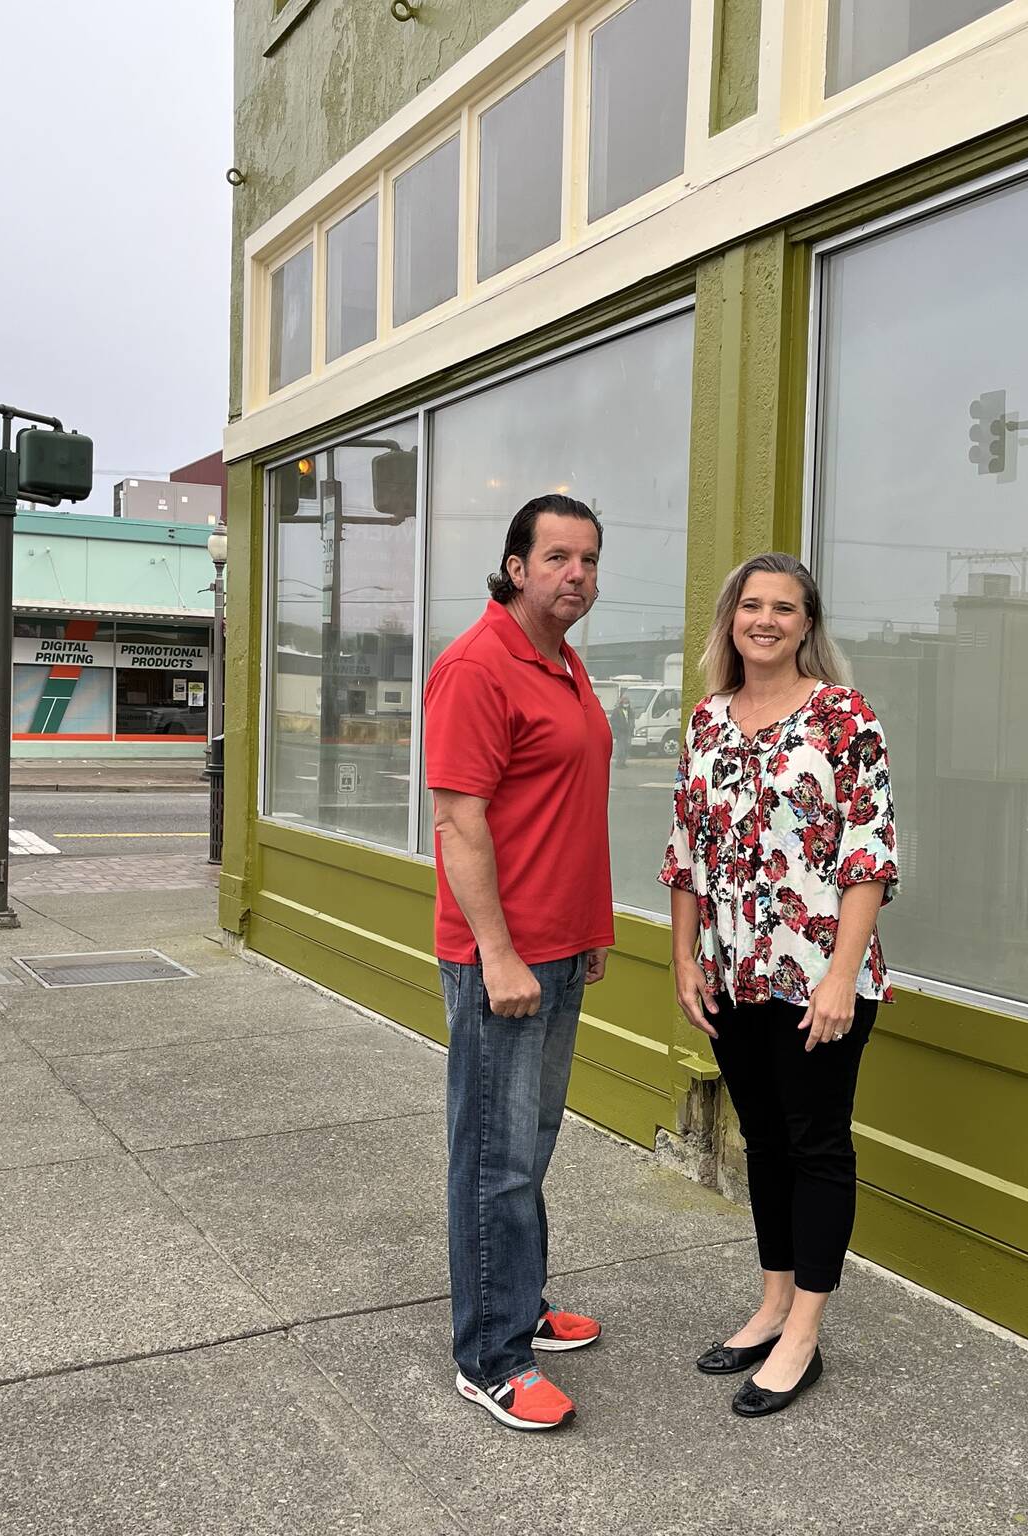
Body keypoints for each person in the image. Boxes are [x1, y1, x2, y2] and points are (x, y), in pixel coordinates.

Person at [659, 552, 897, 1419]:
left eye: (784, 608)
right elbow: (687, 853)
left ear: (807, 623)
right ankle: (771, 1302)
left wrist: (840, 977)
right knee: (761, 1142)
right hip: (733, 976)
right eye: (751, 605)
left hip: (820, 980)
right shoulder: (710, 720)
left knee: (816, 1144)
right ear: (731, 618)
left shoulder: (843, 718)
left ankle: (805, 1332)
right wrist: (685, 958)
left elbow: (869, 854)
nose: (765, 619)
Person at [424, 492, 614, 1432]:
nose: (575, 575)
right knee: (494, 1160)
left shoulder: (563, 663)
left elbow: (564, 811)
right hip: (502, 962)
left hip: (560, 951)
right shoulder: (475, 667)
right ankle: (490, 1356)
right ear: (515, 567)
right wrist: (497, 953)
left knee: (529, 1150)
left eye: (588, 560)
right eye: (557, 558)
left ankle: (520, 1301)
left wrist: (588, 933)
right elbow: (459, 823)